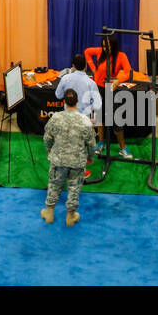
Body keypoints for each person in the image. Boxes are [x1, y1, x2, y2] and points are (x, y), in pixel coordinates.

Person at [41, 89, 98, 227]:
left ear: (64, 102)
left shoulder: (56, 118)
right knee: (74, 187)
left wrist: (50, 151)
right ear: (77, 101)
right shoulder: (85, 120)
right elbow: (91, 144)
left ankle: (49, 213)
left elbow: (47, 139)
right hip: (77, 162)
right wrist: (90, 157)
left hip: (58, 160)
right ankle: (70, 216)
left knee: (54, 184)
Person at [86, 36, 133, 158]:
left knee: (117, 118)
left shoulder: (121, 56)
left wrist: (118, 80)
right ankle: (101, 142)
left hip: (111, 88)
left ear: (114, 46)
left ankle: (123, 148)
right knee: (99, 115)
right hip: (98, 87)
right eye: (103, 46)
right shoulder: (100, 52)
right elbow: (87, 52)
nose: (105, 49)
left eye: (107, 46)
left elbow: (128, 72)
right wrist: (93, 69)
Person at [55, 51, 102, 121]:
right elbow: (97, 104)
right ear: (86, 65)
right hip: (84, 120)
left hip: (67, 118)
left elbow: (58, 95)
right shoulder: (91, 83)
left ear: (73, 66)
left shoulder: (65, 79)